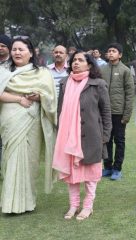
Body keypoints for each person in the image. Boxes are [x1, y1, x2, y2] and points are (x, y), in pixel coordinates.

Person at [52, 51, 112, 220]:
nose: (76, 63)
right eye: (73, 61)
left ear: (90, 65)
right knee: (72, 175)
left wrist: (105, 136)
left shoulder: (97, 84)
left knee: (91, 174)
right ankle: (73, 205)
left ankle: (88, 206)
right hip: (69, 137)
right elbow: (60, 110)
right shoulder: (65, 83)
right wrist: (60, 133)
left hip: (92, 136)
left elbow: (106, 111)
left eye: (80, 60)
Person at [0, 37, 57, 214]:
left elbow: (51, 97)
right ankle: (9, 204)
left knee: (30, 162)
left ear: (31, 53)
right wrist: (19, 98)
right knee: (10, 160)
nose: (17, 52)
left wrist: (39, 97)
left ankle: (27, 203)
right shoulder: (3, 71)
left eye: (21, 49)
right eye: (14, 49)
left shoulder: (42, 73)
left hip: (32, 121)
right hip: (10, 119)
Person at [100, 43, 134, 180]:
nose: (111, 53)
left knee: (119, 141)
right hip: (104, 112)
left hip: (119, 112)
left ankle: (117, 169)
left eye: (114, 51)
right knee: (106, 140)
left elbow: (130, 94)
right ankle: (107, 167)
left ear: (120, 55)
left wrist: (126, 115)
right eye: (109, 51)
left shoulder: (125, 70)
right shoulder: (102, 70)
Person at [0, 34, 11, 170]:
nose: (0, 48)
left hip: (8, 106)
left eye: (3, 46)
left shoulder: (13, 65)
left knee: (6, 139)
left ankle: (7, 168)